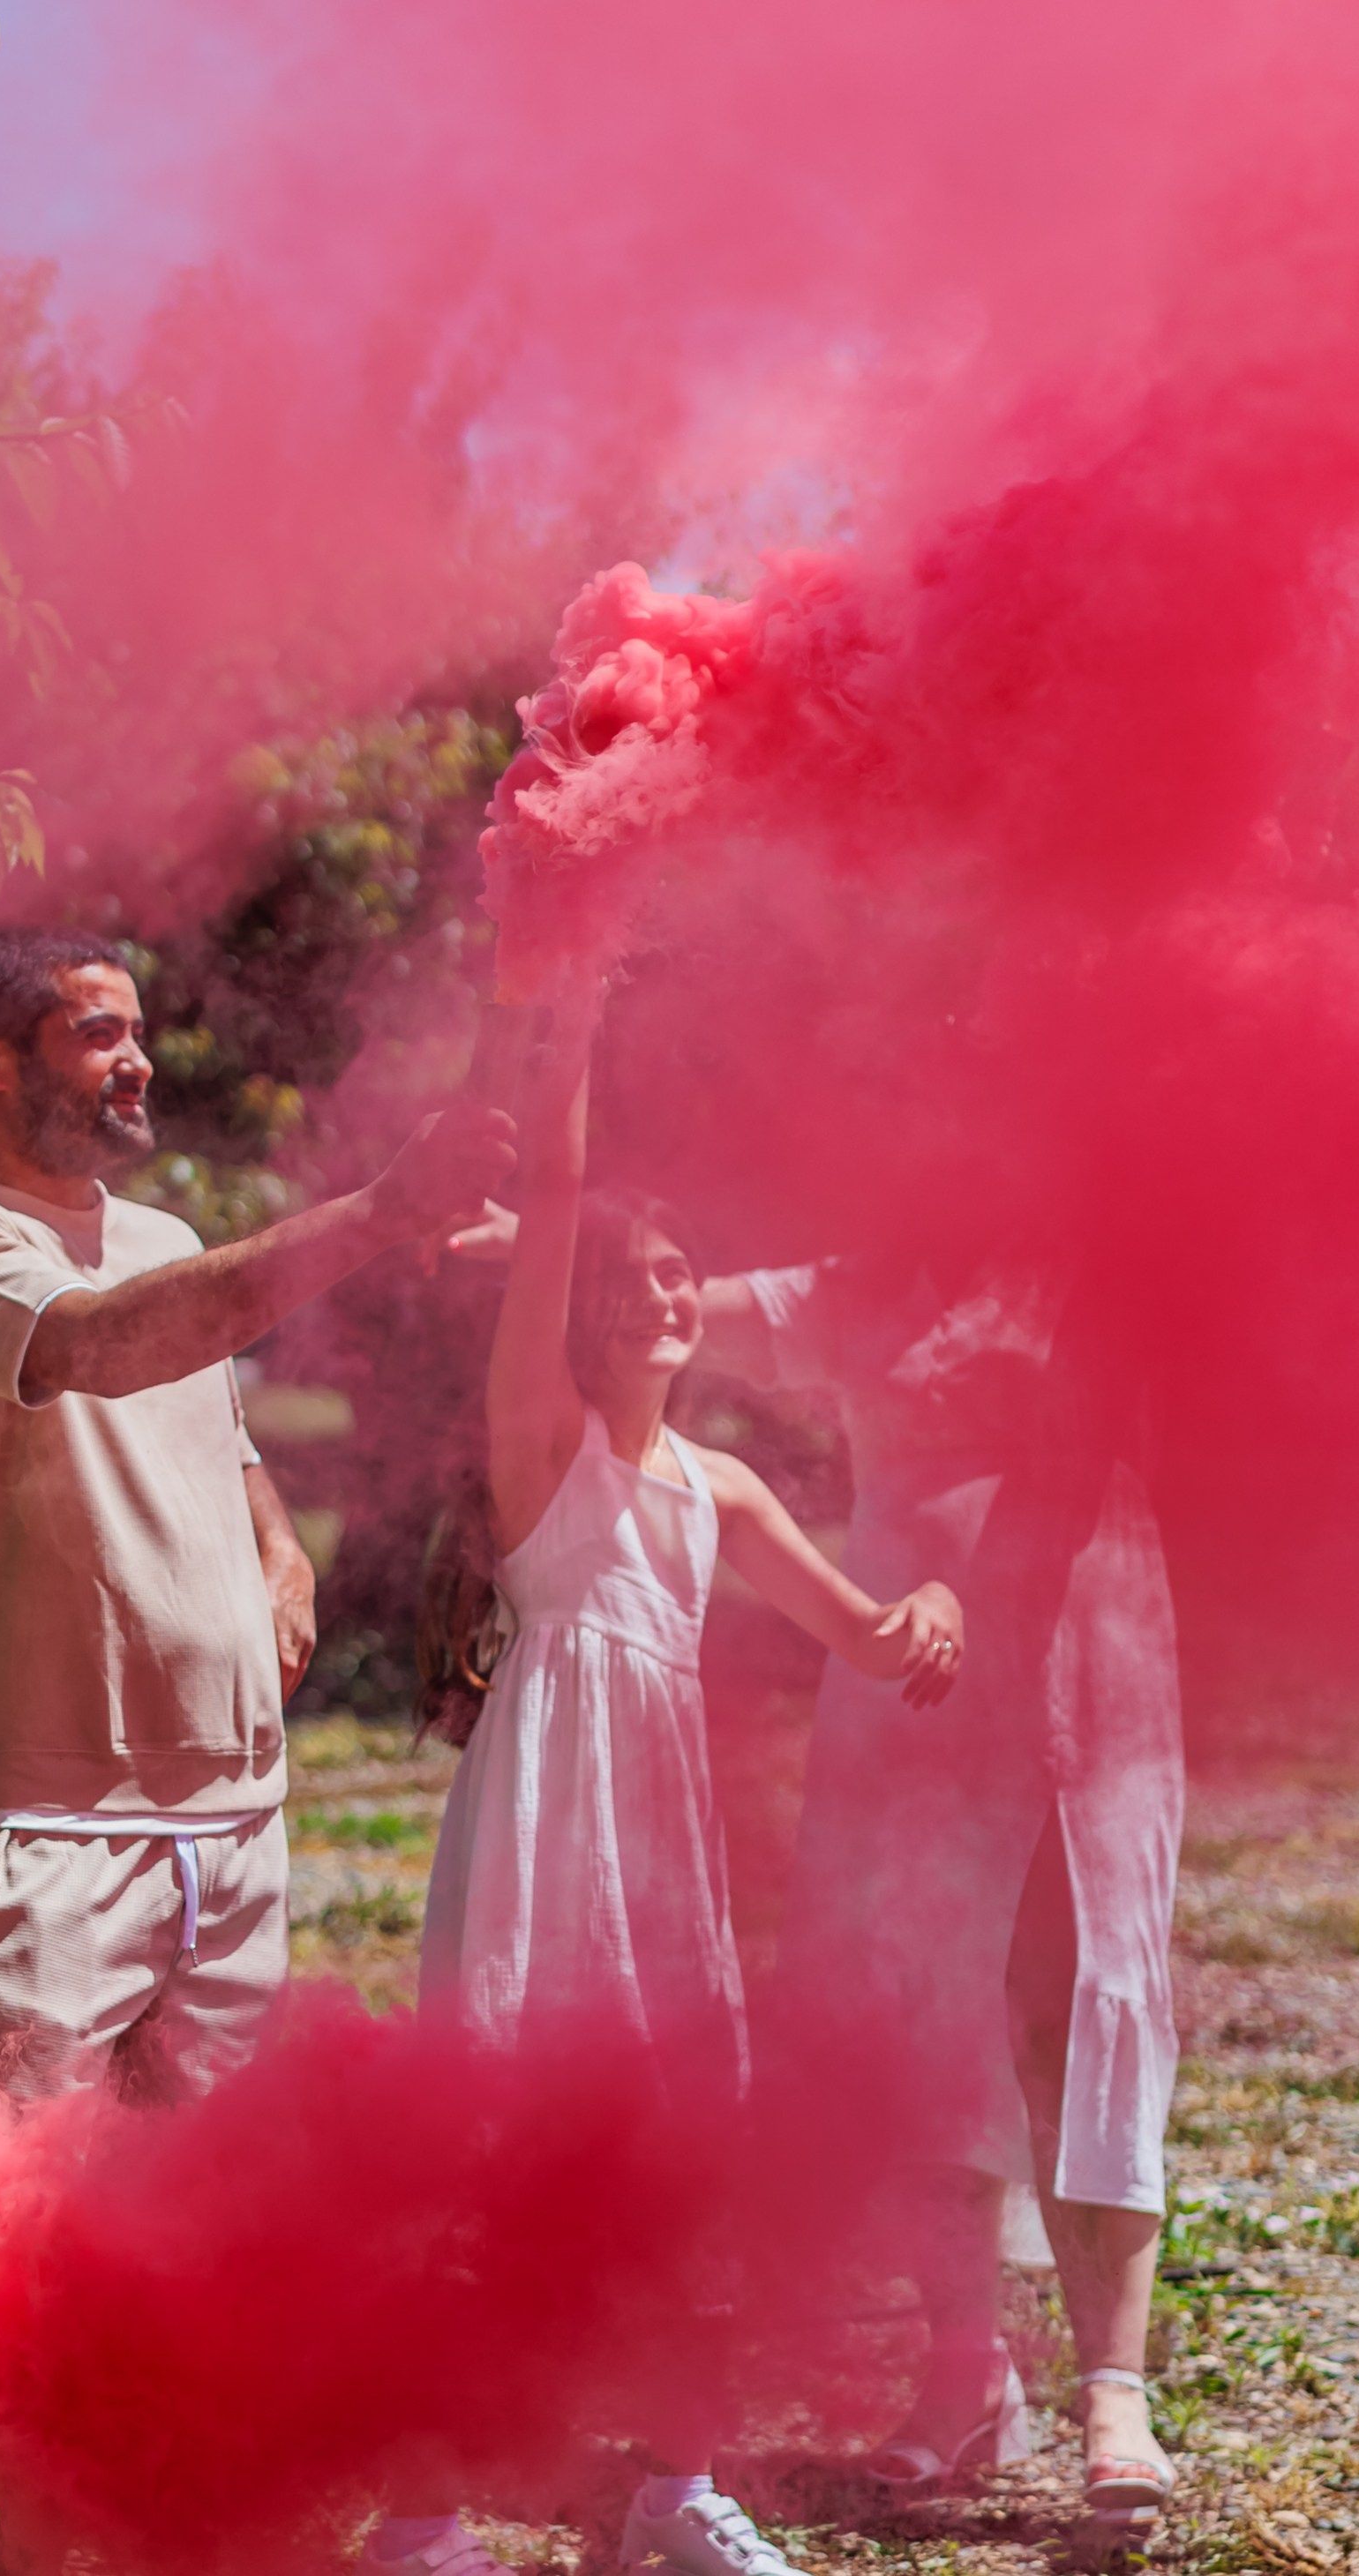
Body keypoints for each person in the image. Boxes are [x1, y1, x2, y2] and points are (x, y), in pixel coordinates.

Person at [0, 926, 515, 2576]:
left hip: (232, 1832)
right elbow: (105, 1346)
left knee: (158, 2278)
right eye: (96, 1034)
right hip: (52, 1826)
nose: (136, 1060)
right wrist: (379, 1215)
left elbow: (214, 1434)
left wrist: (279, 1550)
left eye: (138, 1030)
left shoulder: (162, 1234)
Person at [435, 1210, 1182, 2551]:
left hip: (1066, 1677)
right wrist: (547, 1223)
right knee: (907, 2021)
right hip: (862, 1731)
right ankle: (962, 2366)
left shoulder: (1096, 1253)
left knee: (1069, 2002)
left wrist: (931, 1606)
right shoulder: (844, 1290)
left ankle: (1102, 2390)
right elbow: (659, 1294)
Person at [379, 987, 964, 2576]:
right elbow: (561, 1198)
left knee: (685, 2170)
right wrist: (568, 1028)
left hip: (659, 1863)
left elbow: (871, 1635)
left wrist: (935, 1603)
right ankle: (418, 2524)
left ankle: (675, 2495)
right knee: (495, 2174)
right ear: (574, 1312)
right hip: (540, 1836)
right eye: (627, 1276)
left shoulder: (722, 1487)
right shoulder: (541, 1442)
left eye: (678, 1269)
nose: (659, 1292)